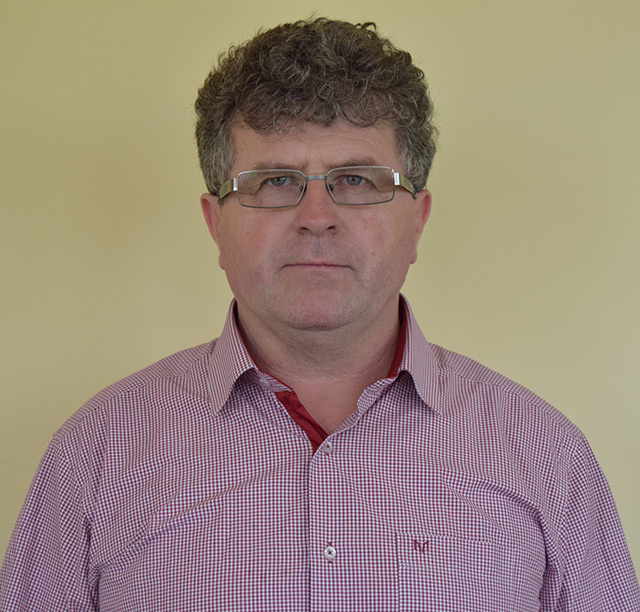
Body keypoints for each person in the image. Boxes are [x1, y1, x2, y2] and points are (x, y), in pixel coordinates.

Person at [1, 17, 638, 612]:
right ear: (215, 224)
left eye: (357, 179)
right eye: (274, 181)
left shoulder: (545, 456)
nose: (315, 217)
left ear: (417, 222)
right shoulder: (95, 455)